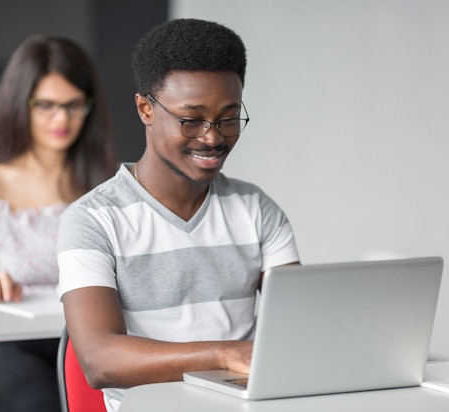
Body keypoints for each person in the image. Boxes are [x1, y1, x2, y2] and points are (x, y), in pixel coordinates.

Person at [57, 18, 300, 411]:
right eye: (191, 120)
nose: (213, 136)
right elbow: (99, 361)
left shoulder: (257, 211)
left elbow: (296, 326)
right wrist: (222, 354)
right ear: (145, 109)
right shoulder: (92, 220)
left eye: (228, 117)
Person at [0, 34, 115, 412]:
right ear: (20, 105)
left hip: (86, 339)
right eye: (46, 105)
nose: (61, 119)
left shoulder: (103, 188)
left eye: (74, 106)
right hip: (6, 346)